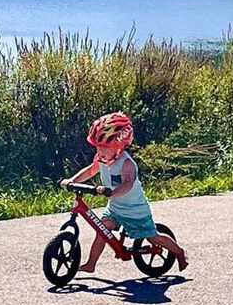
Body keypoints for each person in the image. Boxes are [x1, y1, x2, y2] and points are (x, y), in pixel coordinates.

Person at [60, 112, 189, 273]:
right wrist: (72, 181)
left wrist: (111, 192)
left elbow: (127, 184)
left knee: (153, 238)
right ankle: (91, 264)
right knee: (102, 230)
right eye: (98, 147)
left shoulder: (126, 163)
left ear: (120, 146)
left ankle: (179, 252)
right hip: (115, 208)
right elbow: (90, 171)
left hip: (135, 209)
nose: (100, 151)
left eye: (106, 148)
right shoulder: (101, 159)